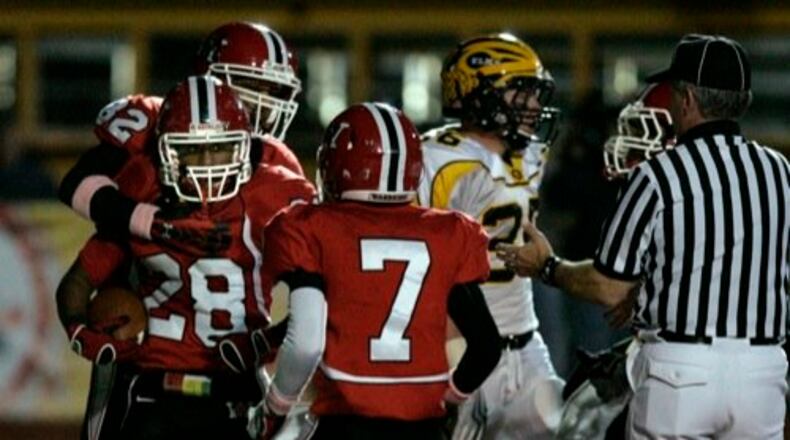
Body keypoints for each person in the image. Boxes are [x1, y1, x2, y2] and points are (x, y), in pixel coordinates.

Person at [498, 34, 789, 439]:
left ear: (687, 100)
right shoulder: (779, 172)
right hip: (763, 373)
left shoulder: (660, 173)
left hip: (682, 370)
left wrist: (548, 267)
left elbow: (608, 287)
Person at [56, 76, 316, 440]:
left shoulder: (274, 192)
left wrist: (264, 341)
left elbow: (330, 295)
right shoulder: (144, 183)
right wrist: (78, 330)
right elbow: (80, 278)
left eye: (221, 149)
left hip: (238, 393)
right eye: (192, 151)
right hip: (154, 392)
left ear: (245, 147)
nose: (207, 165)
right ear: (166, 152)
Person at [248, 102, 502, 439]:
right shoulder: (449, 233)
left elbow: (307, 341)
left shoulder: (312, 227)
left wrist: (275, 407)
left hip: (348, 425)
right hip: (423, 429)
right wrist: (448, 399)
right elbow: (486, 347)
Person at [417, 32, 564, 439]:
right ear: (479, 93)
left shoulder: (531, 152)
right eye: (521, 92)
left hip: (528, 341)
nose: (534, 105)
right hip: (464, 346)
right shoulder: (442, 158)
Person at [57, 22, 304, 251]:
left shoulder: (278, 159)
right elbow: (75, 183)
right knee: (116, 298)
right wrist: (151, 222)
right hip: (145, 271)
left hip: (232, 286)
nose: (263, 105)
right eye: (248, 85)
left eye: (275, 92)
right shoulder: (155, 120)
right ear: (209, 76)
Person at [557, 80, 676, 440]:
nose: (633, 140)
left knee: (584, 419)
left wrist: (548, 268)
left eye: (645, 129)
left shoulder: (677, 189)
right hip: (738, 366)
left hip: (687, 365)